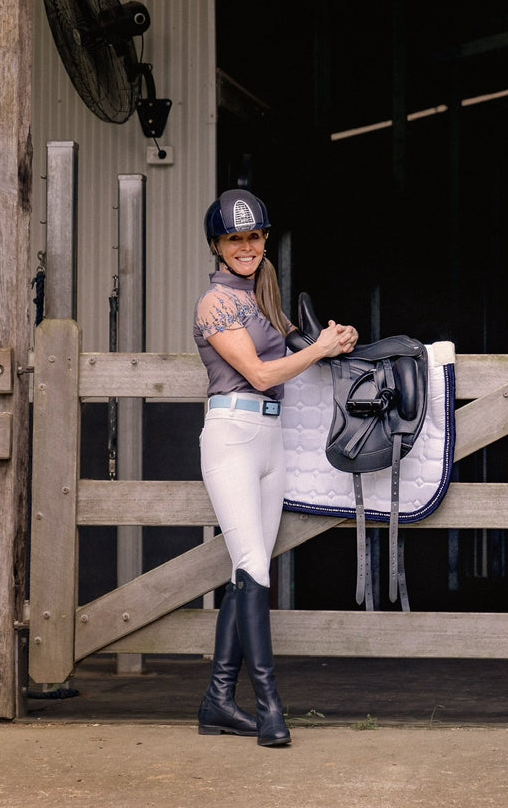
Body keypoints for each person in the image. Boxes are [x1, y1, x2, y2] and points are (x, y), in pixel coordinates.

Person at [192, 189, 357, 747]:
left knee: (252, 569)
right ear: (218, 245)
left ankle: (217, 699)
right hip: (233, 433)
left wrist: (336, 341)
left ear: (264, 242)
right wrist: (316, 351)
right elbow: (262, 374)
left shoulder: (264, 297)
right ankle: (269, 706)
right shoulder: (215, 303)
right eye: (235, 238)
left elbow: (294, 349)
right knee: (251, 567)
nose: (246, 246)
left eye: (254, 236)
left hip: (271, 438)